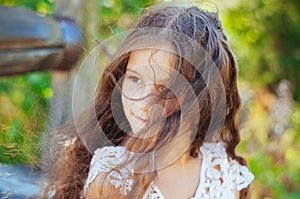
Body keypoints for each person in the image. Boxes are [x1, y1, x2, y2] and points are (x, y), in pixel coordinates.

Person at [42, 3, 254, 199]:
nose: (143, 102)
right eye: (134, 78)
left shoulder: (221, 167)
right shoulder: (115, 177)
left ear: (203, 98)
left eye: (165, 89)